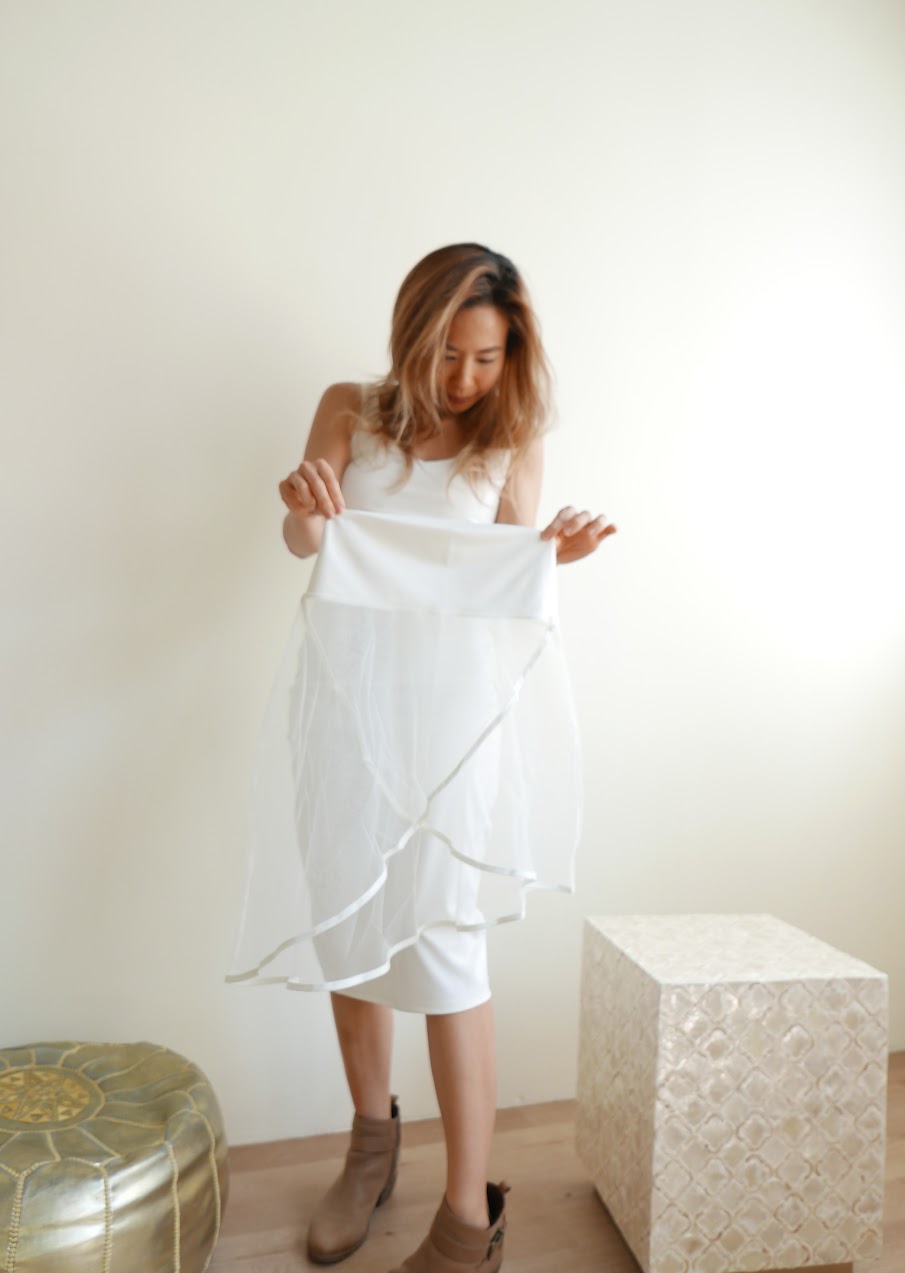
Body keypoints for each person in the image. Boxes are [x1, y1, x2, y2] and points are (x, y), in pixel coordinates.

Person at [276, 244, 615, 1273]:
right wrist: (303, 504)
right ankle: (369, 1147)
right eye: (449, 353)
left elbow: (506, 576)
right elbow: (304, 541)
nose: (466, 377)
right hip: (346, 710)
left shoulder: (510, 437)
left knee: (449, 948)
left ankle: (469, 1214)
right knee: (351, 930)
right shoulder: (348, 408)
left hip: (456, 728)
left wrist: (552, 552)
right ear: (411, 334)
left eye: (488, 356)